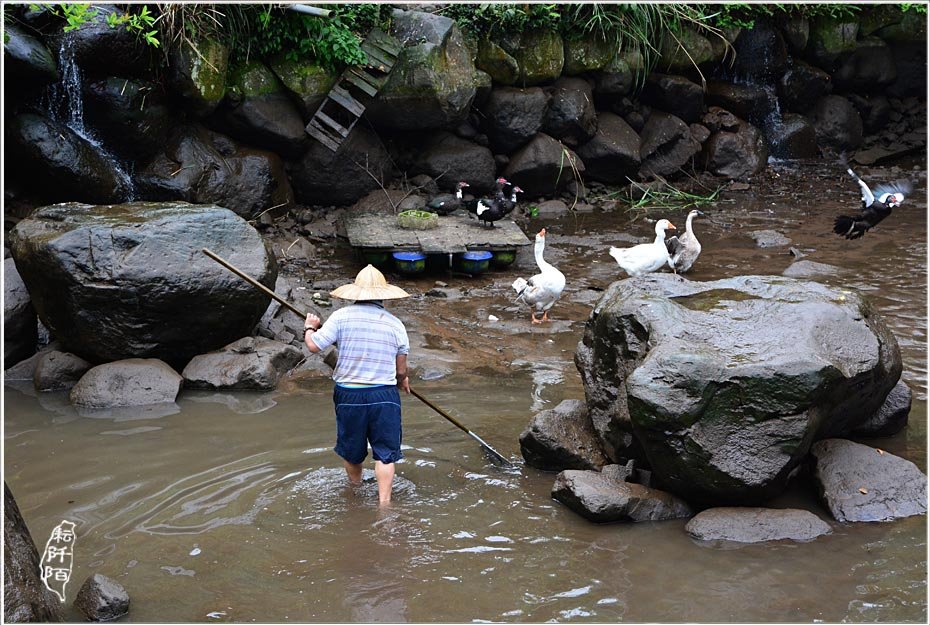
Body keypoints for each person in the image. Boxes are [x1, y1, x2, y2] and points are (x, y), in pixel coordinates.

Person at [303, 264, 411, 505]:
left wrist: (310, 327)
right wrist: (403, 380)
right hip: (384, 395)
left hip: (349, 394)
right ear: (383, 295)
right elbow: (401, 370)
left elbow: (314, 346)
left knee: (352, 449)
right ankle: (384, 505)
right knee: (385, 454)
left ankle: (355, 492)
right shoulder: (395, 324)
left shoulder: (341, 316)